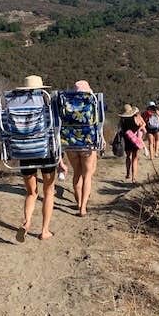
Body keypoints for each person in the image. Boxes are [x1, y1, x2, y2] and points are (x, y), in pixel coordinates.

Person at [15, 74, 67, 243]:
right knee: (48, 191)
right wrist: (60, 159)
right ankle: (44, 231)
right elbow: (56, 131)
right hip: (45, 152)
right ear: (41, 88)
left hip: (24, 153)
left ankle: (27, 222)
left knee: (31, 193)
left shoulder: (15, 106)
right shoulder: (47, 103)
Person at [65, 80, 100, 217]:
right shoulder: (92, 102)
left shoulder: (67, 104)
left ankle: (79, 202)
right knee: (87, 175)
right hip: (87, 142)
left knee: (77, 173)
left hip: (71, 143)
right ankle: (83, 208)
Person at [118, 104, 147, 183]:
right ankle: (134, 177)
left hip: (127, 139)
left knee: (128, 156)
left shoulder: (122, 120)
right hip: (135, 139)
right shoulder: (136, 118)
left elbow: (119, 129)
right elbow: (143, 126)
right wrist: (137, 131)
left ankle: (128, 173)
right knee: (135, 158)